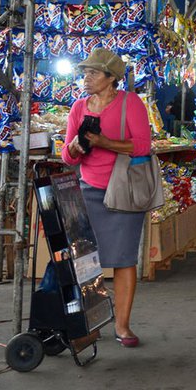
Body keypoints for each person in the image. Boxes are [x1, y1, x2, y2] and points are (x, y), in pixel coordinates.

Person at [61, 48, 150, 348]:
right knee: (86, 263)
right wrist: (75, 147)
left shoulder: (131, 103)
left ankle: (123, 327)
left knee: (124, 260)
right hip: (88, 191)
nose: (86, 78)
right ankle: (91, 325)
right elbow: (67, 157)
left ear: (112, 79)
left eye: (94, 73)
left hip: (124, 192)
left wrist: (103, 142)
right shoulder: (78, 108)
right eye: (85, 72)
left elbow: (141, 147)